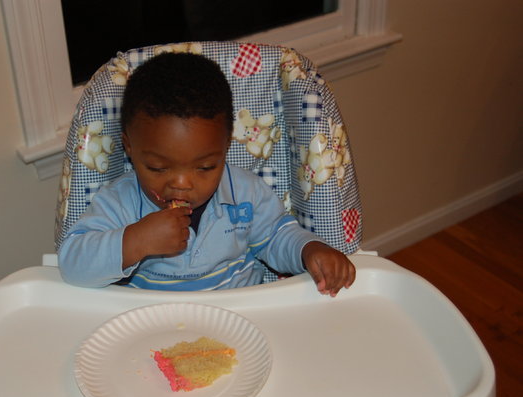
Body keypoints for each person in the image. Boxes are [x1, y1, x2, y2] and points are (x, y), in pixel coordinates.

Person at [58, 52, 355, 295]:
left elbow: (277, 237)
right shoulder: (119, 202)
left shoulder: (246, 194)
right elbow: (72, 265)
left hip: (240, 316)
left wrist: (309, 250)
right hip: (152, 325)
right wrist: (136, 241)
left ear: (225, 147)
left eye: (204, 167)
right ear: (129, 148)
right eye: (158, 168)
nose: (181, 184)